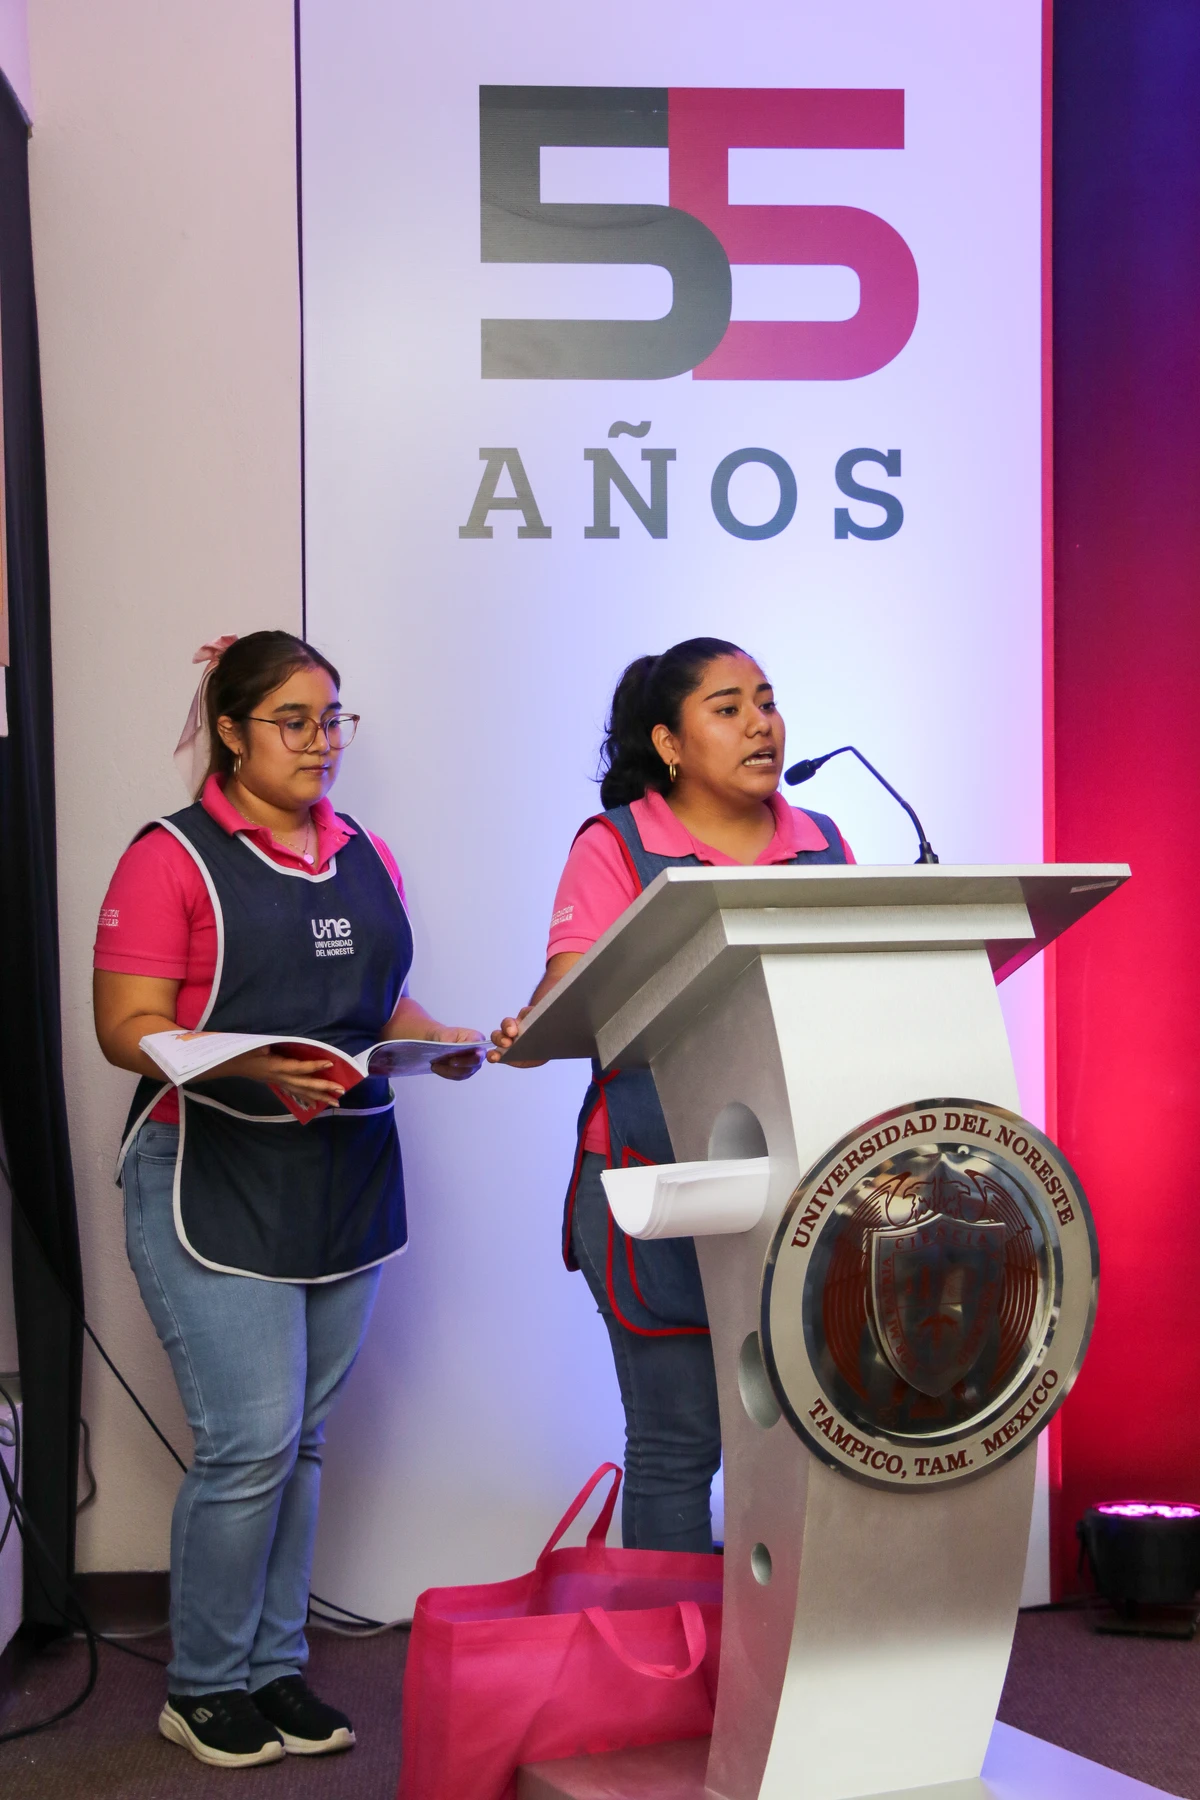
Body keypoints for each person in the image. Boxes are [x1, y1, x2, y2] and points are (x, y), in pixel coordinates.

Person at [93, 630, 483, 1770]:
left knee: (300, 1441)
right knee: (248, 1444)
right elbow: (124, 1026)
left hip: (341, 1173)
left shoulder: (367, 855)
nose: (321, 744)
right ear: (230, 731)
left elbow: (380, 1000)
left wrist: (439, 1039)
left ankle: (274, 1667)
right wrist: (255, 1063)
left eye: (332, 721)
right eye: (294, 722)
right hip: (208, 1172)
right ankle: (204, 1684)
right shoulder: (170, 857)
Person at [490, 637, 852, 1553]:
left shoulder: (823, 842)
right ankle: (669, 1643)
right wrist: (533, 1021)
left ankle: (771, 1644)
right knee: (679, 1444)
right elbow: (575, 989)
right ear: (669, 743)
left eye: (766, 701)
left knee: (801, 1442)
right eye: (727, 709)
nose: (761, 723)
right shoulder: (616, 845)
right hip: (656, 1181)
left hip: (796, 1186)